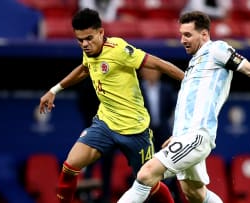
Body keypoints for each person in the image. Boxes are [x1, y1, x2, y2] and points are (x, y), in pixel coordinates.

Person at [117, 11, 250, 203]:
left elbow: (249, 69)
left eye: (187, 35)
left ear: (204, 34)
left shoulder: (217, 49)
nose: (182, 40)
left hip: (197, 135)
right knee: (195, 193)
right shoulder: (194, 63)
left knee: (146, 174)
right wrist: (177, 135)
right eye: (181, 35)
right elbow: (189, 104)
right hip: (185, 136)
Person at [38, 8, 185, 203]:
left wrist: (188, 80)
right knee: (70, 165)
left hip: (135, 130)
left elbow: (157, 64)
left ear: (101, 32)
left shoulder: (118, 49)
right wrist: (54, 90)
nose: (85, 44)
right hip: (105, 124)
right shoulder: (89, 52)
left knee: (150, 185)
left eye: (89, 38)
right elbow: (84, 69)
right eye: (80, 40)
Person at [139, 68, 182, 202]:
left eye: (154, 71)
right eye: (148, 71)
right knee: (147, 168)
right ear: (142, 73)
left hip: (164, 134)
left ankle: (173, 197)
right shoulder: (136, 89)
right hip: (145, 134)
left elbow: (171, 111)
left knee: (170, 166)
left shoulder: (167, 89)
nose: (151, 73)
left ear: (160, 73)